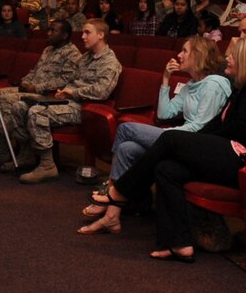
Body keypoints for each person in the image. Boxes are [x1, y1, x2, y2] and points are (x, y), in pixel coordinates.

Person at [79, 40, 246, 264]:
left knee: (170, 138)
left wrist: (198, 142)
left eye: (232, 55)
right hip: (228, 152)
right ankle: (179, 243)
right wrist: (198, 142)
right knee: (166, 169)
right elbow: (216, 124)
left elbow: (242, 127)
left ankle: (119, 192)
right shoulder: (242, 88)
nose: (227, 58)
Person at [80, 37, 231, 220]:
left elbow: (201, 127)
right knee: (126, 148)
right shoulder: (191, 84)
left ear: (199, 55)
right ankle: (117, 211)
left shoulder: (214, 84)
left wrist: (167, 136)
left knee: (126, 129)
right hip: (178, 137)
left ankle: (111, 191)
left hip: (194, 144)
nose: (179, 55)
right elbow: (164, 113)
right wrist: (166, 80)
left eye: (184, 51)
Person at [0, 20, 82, 170]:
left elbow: (64, 80)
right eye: (48, 30)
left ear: (64, 35)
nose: (48, 33)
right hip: (30, 89)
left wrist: (35, 87)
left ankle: (1, 150)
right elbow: (35, 71)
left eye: (53, 31)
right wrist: (25, 82)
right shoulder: (48, 49)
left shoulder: (73, 54)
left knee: (5, 100)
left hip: (47, 95)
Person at [12, 20, 122, 183]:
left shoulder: (110, 62)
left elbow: (102, 91)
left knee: (36, 112)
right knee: (20, 106)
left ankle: (47, 165)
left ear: (101, 35)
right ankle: (27, 154)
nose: (82, 36)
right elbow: (73, 80)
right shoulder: (86, 58)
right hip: (69, 102)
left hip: (86, 109)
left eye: (87, 32)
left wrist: (72, 92)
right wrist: (65, 92)